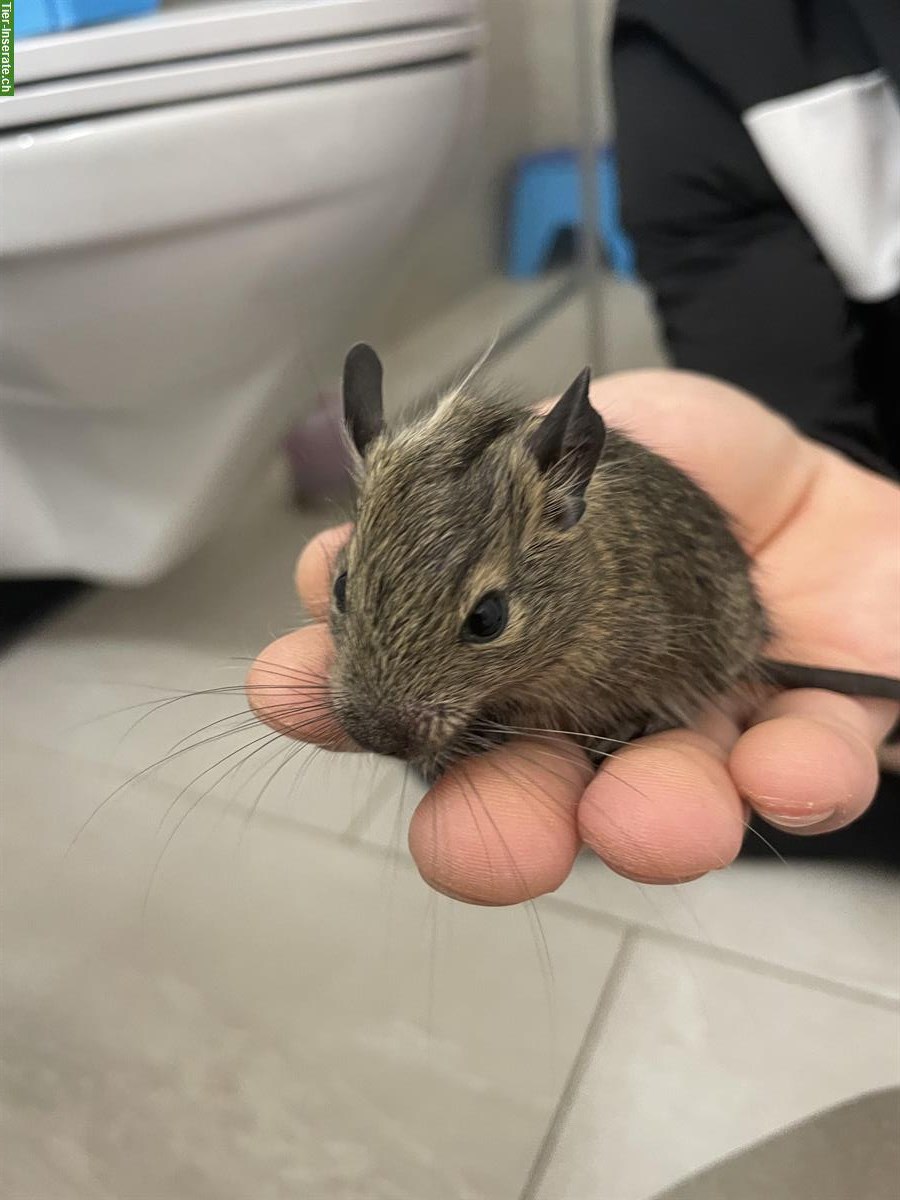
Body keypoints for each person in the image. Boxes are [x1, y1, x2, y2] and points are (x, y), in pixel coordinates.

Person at [247, 370, 900, 905]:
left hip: (681, 662)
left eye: (484, 621)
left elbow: (631, 651)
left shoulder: (591, 597)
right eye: (346, 594)